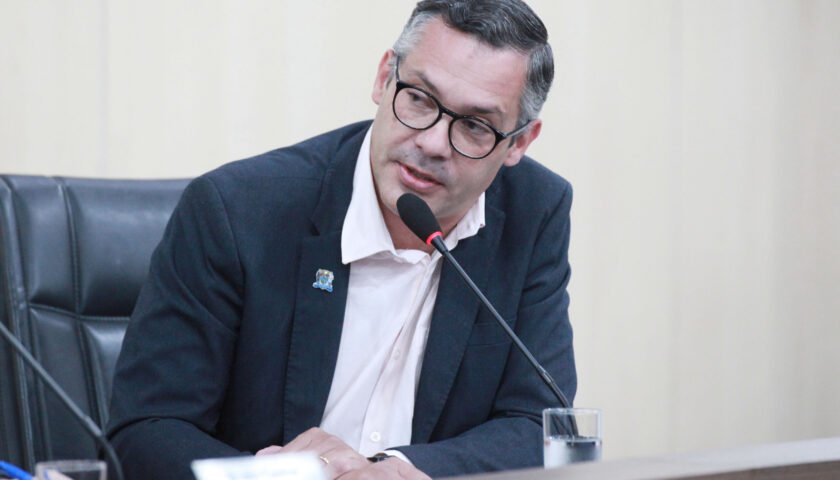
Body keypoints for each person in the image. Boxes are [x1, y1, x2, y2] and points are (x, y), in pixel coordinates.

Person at [106, 1, 576, 479]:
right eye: (419, 99)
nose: (432, 143)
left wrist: (394, 471)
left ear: (519, 142)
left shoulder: (533, 212)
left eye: (475, 126)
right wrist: (271, 475)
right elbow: (144, 431)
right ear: (384, 77)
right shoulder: (237, 211)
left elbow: (541, 424)